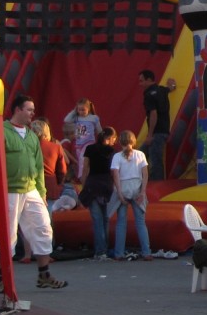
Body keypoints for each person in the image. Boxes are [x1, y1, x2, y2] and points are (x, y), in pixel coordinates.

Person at [0, 93, 67, 292]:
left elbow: (38, 166)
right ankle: (3, 280)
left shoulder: (31, 136)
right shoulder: (2, 131)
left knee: (43, 228)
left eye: (33, 110)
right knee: (7, 235)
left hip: (31, 189)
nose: (32, 113)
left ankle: (44, 275)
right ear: (17, 109)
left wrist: (42, 192)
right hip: (9, 191)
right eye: (29, 109)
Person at [109, 130, 151, 260]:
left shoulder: (117, 157)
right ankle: (146, 252)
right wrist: (142, 192)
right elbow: (145, 174)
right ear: (133, 141)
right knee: (141, 222)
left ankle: (119, 253)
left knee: (121, 222)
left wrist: (120, 193)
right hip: (137, 187)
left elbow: (115, 175)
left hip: (123, 187)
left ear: (120, 142)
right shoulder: (140, 155)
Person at [78, 127, 118, 260]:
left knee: (97, 218)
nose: (114, 141)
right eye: (114, 139)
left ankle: (100, 250)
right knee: (105, 218)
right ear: (109, 138)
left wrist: (84, 185)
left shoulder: (90, 149)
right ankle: (104, 248)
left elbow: (85, 168)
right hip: (107, 185)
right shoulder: (112, 152)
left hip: (93, 185)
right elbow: (114, 171)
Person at [138, 71, 175, 182]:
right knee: (141, 154)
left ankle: (157, 184)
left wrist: (150, 135)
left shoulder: (149, 95)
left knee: (155, 160)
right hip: (164, 129)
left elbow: (153, 114)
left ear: (149, 80)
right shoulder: (161, 90)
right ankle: (144, 179)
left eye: (141, 81)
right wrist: (172, 84)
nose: (140, 84)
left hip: (157, 132)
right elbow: (170, 88)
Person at [31, 117, 68, 205]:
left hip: (32, 186)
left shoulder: (28, 147)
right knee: (49, 212)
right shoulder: (56, 147)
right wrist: (58, 182)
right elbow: (62, 171)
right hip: (51, 186)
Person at [63, 98, 101, 183]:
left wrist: (101, 140)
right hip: (79, 143)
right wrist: (74, 111)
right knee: (81, 161)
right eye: (79, 110)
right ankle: (83, 177)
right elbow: (66, 120)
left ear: (89, 109)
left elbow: (99, 130)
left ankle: (82, 177)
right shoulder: (77, 118)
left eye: (83, 110)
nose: (81, 112)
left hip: (89, 142)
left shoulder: (93, 118)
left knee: (82, 158)